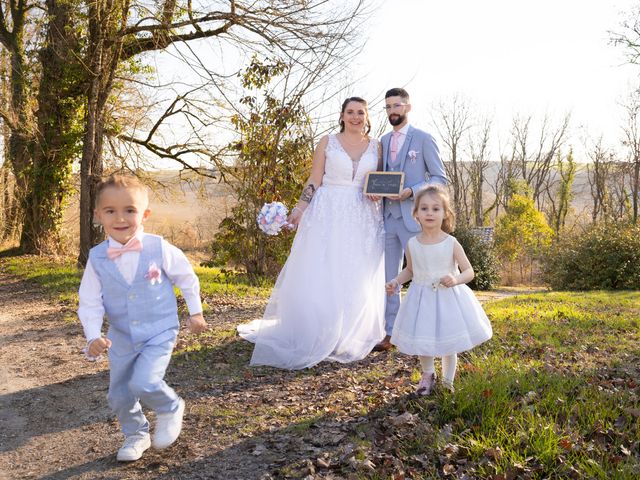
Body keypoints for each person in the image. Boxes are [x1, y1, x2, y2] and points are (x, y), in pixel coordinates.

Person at [237, 97, 385, 369]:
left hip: (363, 216)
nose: (355, 117)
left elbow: (378, 180)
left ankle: (347, 334)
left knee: (356, 271)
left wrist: (377, 193)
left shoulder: (377, 146)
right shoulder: (327, 142)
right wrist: (299, 209)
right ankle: (320, 330)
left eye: (360, 113)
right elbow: (314, 179)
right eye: (350, 112)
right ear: (341, 115)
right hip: (328, 212)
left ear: (367, 116)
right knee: (324, 269)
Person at [78, 174, 208, 462]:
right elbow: (89, 302)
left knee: (145, 382)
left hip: (159, 331)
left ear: (145, 214)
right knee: (120, 395)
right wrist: (93, 336)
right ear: (98, 215)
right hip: (121, 337)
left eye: (130, 210)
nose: (120, 218)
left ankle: (171, 406)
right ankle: (136, 434)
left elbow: (186, 277)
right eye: (110, 211)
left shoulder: (158, 247)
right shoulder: (97, 257)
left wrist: (195, 311)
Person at [385, 185, 492, 394]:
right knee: (423, 339)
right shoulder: (412, 243)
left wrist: (455, 278)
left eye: (436, 209)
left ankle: (447, 382)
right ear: (416, 214)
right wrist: (396, 281)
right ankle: (427, 375)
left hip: (447, 298)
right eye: (424, 208)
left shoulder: (451, 243)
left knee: (447, 342)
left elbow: (469, 271)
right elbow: (410, 270)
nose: (430, 213)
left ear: (445, 214)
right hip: (421, 298)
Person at [374, 87, 448, 352]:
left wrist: (413, 191)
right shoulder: (381, 141)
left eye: (397, 105)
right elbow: (379, 177)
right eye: (388, 107)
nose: (393, 111)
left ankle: (423, 328)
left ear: (408, 107)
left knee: (420, 273)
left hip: (411, 218)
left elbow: (440, 179)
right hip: (387, 218)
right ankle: (391, 333)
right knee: (389, 278)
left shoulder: (423, 139)